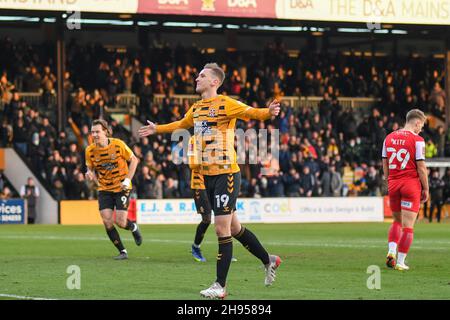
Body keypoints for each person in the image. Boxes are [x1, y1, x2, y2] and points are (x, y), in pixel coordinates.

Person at [139, 62, 281, 299]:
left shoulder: (225, 103)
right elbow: (181, 125)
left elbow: (250, 112)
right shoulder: (196, 109)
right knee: (234, 228)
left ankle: (220, 286)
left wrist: (267, 112)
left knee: (220, 228)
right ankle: (270, 260)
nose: (197, 77)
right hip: (208, 176)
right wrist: (158, 129)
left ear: (214, 81)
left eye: (202, 75)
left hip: (226, 173)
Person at [85, 119, 142, 260]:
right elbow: (90, 167)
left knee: (121, 222)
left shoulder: (118, 145)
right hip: (104, 188)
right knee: (107, 220)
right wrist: (89, 173)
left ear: (105, 131)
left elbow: (134, 160)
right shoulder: (90, 150)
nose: (95, 135)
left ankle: (133, 227)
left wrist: (127, 179)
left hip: (121, 186)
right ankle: (122, 251)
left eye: (97, 131)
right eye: (93, 132)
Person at [382, 109, 428, 271]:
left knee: (396, 221)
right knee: (408, 226)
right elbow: (421, 167)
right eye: (421, 125)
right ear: (416, 122)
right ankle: (400, 262)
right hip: (410, 184)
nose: (421, 129)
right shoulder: (418, 140)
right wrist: (426, 188)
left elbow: (385, 163)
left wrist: (389, 180)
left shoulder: (388, 137)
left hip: (393, 184)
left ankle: (391, 251)